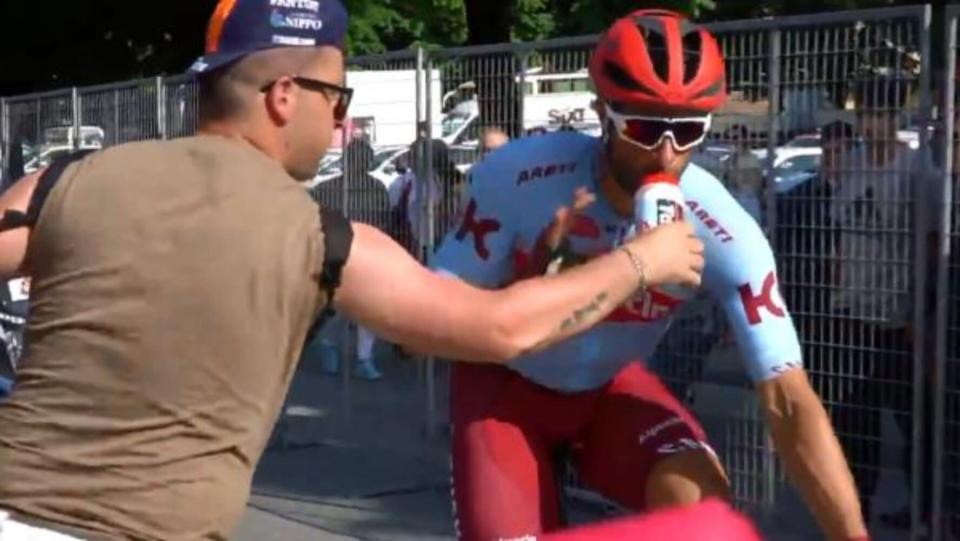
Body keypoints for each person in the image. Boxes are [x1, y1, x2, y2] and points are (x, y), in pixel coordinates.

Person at [0, 1, 707, 539]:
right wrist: (643, 258)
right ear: (284, 96)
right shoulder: (320, 237)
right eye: (338, 101)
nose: (341, 124)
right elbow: (497, 329)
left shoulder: (64, 181)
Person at [431, 9, 868, 541]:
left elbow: (788, 399)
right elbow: (436, 317)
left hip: (607, 386)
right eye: (643, 126)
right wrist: (535, 271)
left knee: (705, 512)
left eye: (687, 131)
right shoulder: (520, 177)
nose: (666, 151)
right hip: (504, 383)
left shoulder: (721, 222)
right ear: (600, 111)